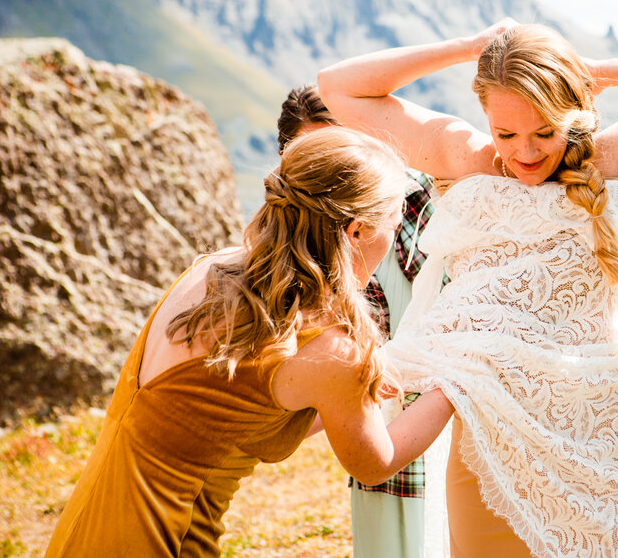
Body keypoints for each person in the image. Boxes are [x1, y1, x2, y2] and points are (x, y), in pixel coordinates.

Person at [317, 20, 618, 557]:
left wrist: (599, 72)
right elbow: (338, 86)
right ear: (486, 116)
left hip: (597, 443)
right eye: (505, 134)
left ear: (572, 115)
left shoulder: (615, 158)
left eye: (544, 132)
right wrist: (468, 45)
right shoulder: (462, 159)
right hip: (490, 441)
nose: (525, 154)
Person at [45, 126, 454, 557]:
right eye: (392, 224)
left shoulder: (217, 272)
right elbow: (376, 462)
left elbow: (244, 414)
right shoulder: (328, 353)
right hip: (163, 542)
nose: (393, 239)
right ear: (356, 231)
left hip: (84, 531)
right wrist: (456, 380)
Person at [278, 84, 436, 558]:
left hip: (444, 413)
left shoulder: (416, 205)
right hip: (373, 429)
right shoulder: (293, 247)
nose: (335, 186)